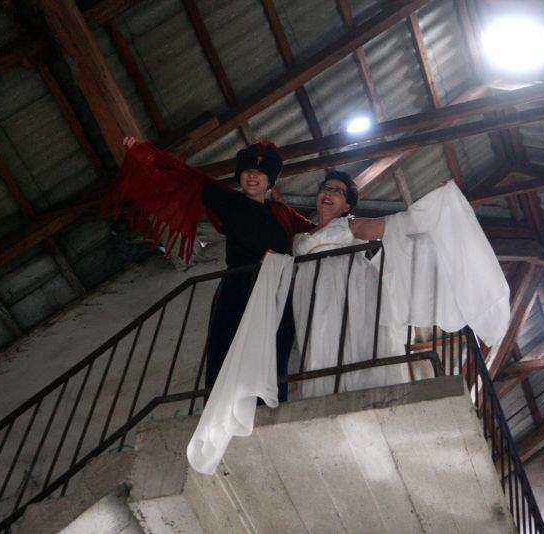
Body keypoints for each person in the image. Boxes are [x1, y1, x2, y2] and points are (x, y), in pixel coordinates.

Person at [104, 138, 313, 401]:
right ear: (239, 176)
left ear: (270, 180)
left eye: (260, 173)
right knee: (228, 349)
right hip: (238, 288)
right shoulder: (229, 201)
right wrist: (146, 155)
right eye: (247, 171)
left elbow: (317, 233)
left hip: (276, 292)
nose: (252, 177)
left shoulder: (284, 213)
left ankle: (270, 407)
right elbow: (185, 178)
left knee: (274, 350)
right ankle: (223, 408)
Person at [291, 170, 511, 397]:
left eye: (337, 191)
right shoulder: (302, 236)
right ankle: (326, 389)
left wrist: (437, 202)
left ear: (346, 206)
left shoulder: (350, 226)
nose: (329, 194)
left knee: (354, 340)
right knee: (319, 341)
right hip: (312, 297)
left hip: (349, 290)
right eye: (326, 188)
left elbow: (399, 224)